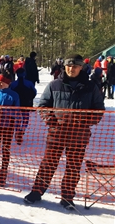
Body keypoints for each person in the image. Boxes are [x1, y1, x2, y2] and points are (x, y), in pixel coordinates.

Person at [24, 54, 104, 210]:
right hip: (57, 134)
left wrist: (84, 122)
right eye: (68, 66)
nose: (71, 69)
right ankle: (37, 191)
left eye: (75, 66)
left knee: (73, 167)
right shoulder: (55, 85)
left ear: (81, 67)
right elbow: (43, 105)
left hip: (79, 135)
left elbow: (99, 110)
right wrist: (52, 121)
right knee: (48, 163)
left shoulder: (91, 87)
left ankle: (67, 197)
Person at [9, 68, 37, 145]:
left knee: (17, 119)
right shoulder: (29, 83)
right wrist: (30, 99)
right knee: (25, 118)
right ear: (24, 74)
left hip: (16, 104)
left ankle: (18, 132)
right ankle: (22, 130)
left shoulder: (13, 84)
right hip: (26, 104)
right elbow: (34, 92)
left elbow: (10, 93)